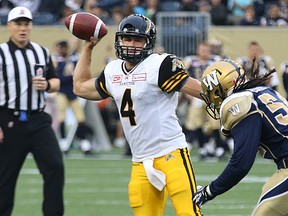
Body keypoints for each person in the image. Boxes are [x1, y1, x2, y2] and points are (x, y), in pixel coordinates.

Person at [73, 14, 203, 215]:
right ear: (119, 40)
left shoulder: (160, 65)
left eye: (138, 39)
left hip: (171, 153)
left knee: (189, 213)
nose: (131, 44)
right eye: (127, 38)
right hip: (140, 161)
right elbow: (80, 87)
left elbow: (202, 91)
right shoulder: (113, 70)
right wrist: (88, 47)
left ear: (148, 42)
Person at [193, 59, 288, 215]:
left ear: (219, 89)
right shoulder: (262, 91)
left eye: (212, 94)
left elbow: (241, 163)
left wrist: (209, 191)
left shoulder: (238, 102)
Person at [0, 6, 64, 216]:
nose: (22, 28)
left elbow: (55, 81)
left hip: (38, 120)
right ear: (9, 26)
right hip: (9, 121)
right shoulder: (1, 54)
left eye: (26, 24)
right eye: (18, 24)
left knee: (55, 166)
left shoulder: (41, 52)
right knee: (5, 178)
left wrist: (46, 85)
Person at [53, 39, 94, 155]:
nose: (62, 50)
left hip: (73, 93)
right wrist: (68, 75)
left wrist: (69, 74)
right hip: (62, 93)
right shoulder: (55, 60)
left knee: (81, 119)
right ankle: (63, 145)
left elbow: (78, 75)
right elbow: (58, 78)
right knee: (62, 119)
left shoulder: (73, 59)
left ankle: (85, 145)